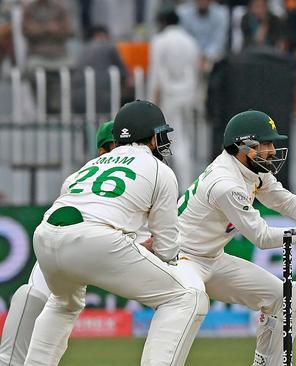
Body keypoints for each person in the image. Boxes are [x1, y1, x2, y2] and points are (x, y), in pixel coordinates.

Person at [175, 110, 296, 366]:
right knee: (190, 308)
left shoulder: (251, 170)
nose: (271, 150)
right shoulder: (226, 184)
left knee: (285, 298)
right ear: (243, 147)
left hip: (211, 259)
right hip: (182, 260)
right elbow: (262, 236)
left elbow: (284, 201)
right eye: (265, 144)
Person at [23, 100, 208, 365]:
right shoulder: (160, 171)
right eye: (161, 135)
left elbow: (88, 208)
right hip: (95, 241)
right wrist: (152, 259)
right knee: (185, 296)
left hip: (46, 236)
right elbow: (167, 249)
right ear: (152, 138)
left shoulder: (87, 167)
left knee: (64, 303)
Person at [0, 120, 125, 366]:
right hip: (68, 247)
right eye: (119, 146)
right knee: (36, 298)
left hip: (81, 253)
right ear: (103, 151)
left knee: (54, 310)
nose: (126, 151)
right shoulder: (80, 179)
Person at [148, 6, 201, 191]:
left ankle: (175, 188)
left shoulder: (160, 41)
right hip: (188, 96)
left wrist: (151, 104)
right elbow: (196, 72)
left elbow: (156, 74)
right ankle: (184, 186)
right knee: (184, 140)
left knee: (172, 143)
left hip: (169, 97)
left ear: (162, 22)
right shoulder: (191, 41)